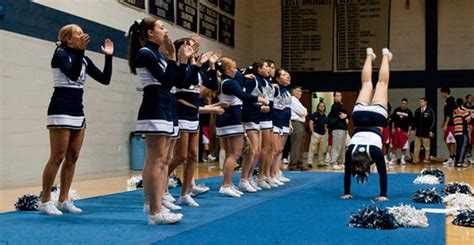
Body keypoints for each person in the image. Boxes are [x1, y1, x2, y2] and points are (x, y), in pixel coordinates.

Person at [38, 24, 113, 215]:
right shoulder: (60, 54)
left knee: (73, 156)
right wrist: (80, 52)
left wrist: (109, 57)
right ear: (68, 39)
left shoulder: (84, 59)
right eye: (77, 33)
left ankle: (64, 199)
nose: (82, 35)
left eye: (82, 32)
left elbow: (105, 79)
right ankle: (45, 200)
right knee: (58, 156)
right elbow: (71, 75)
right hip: (60, 108)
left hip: (77, 110)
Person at [127, 17, 192, 224]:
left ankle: (153, 203)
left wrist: (182, 60)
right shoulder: (146, 53)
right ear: (149, 33)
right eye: (161, 28)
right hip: (154, 106)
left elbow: (179, 82)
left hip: (165, 105)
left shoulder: (158, 54)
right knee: (156, 159)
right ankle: (154, 212)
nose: (165, 31)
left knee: (163, 160)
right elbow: (165, 82)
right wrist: (173, 56)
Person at [342, 47, 393, 201]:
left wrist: (383, 195)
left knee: (382, 83)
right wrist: (346, 192)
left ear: (369, 165)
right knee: (366, 84)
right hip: (359, 116)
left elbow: (383, 174)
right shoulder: (350, 152)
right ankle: (370, 54)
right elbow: (346, 175)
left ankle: (385, 55)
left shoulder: (375, 153)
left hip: (376, 117)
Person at [216, 57, 269, 197]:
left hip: (227, 118)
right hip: (231, 118)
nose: (236, 70)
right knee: (235, 154)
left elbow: (240, 74)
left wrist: (243, 73)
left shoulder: (227, 81)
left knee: (230, 154)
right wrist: (260, 99)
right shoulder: (230, 83)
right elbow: (244, 96)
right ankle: (226, 184)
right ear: (227, 70)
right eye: (233, 67)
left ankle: (227, 183)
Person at [270, 68, 292, 183]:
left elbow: (286, 108)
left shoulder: (287, 91)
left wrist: (289, 123)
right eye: (284, 75)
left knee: (280, 150)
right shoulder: (274, 88)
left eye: (288, 75)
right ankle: (271, 173)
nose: (287, 76)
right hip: (276, 120)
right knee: (275, 149)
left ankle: (277, 171)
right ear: (278, 79)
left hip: (284, 121)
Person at [327, 91, 349, 170]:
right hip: (337, 129)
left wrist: (346, 115)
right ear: (334, 97)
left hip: (343, 128)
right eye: (337, 96)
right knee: (336, 146)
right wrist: (345, 115)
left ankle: (340, 161)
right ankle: (333, 162)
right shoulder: (334, 106)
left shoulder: (341, 105)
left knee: (342, 146)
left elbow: (347, 114)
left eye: (340, 96)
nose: (339, 97)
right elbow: (339, 113)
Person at [289, 86, 308, 171]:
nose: (300, 93)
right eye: (298, 91)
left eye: (300, 91)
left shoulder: (297, 101)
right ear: (293, 92)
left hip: (300, 123)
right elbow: (303, 112)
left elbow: (304, 112)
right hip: (295, 123)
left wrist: (304, 111)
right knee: (296, 144)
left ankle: (299, 163)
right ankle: (293, 164)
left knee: (301, 144)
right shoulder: (292, 99)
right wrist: (304, 111)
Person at [389, 98, 413, 164]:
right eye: (403, 103)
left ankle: (402, 159)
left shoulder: (409, 112)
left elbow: (411, 123)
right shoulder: (397, 110)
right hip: (396, 130)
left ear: (407, 104)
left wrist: (409, 131)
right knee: (394, 145)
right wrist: (393, 128)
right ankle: (393, 159)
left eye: (405, 103)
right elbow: (393, 120)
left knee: (404, 146)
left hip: (404, 131)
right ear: (401, 103)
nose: (404, 105)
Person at [412, 97, 435, 163]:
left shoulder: (430, 111)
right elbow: (415, 120)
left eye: (422, 102)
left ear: (425, 102)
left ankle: (427, 159)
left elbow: (433, 121)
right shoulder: (417, 111)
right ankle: (416, 159)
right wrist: (413, 128)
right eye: (420, 102)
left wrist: (431, 130)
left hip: (426, 132)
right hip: (418, 132)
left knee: (427, 147)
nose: (420, 103)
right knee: (416, 146)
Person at [307, 101, 328, 168]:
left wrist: (326, 131)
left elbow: (325, 125)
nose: (322, 107)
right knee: (312, 148)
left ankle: (320, 162)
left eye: (323, 106)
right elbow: (310, 123)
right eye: (320, 106)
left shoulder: (324, 115)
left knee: (321, 150)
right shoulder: (314, 114)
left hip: (322, 134)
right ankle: (309, 162)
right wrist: (313, 132)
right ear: (318, 107)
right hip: (316, 134)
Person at [440, 87, 457, 165]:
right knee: (447, 140)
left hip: (451, 124)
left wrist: (446, 124)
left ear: (446, 92)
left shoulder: (450, 100)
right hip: (448, 123)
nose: (441, 94)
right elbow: (446, 113)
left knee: (451, 140)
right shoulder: (447, 100)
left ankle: (452, 157)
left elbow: (449, 114)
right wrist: (443, 122)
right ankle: (452, 156)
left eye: (442, 93)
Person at [453, 98, 472, 167]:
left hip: (457, 131)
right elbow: (468, 119)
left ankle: (457, 162)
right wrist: (470, 113)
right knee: (463, 147)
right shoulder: (463, 110)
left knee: (459, 147)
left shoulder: (455, 111)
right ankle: (459, 162)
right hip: (462, 131)